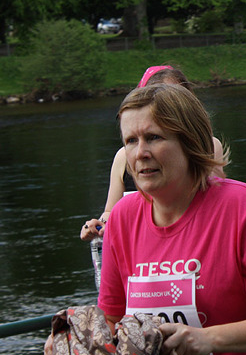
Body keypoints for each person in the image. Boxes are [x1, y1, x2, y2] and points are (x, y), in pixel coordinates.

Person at [98, 83, 246, 355]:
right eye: (131, 141)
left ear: (190, 141)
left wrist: (207, 339)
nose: (140, 153)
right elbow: (111, 320)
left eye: (153, 137)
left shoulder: (240, 206)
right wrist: (76, 342)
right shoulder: (122, 217)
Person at [80, 65, 226, 241]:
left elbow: (214, 202)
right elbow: (111, 211)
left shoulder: (210, 145)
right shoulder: (123, 157)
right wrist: (98, 226)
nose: (141, 153)